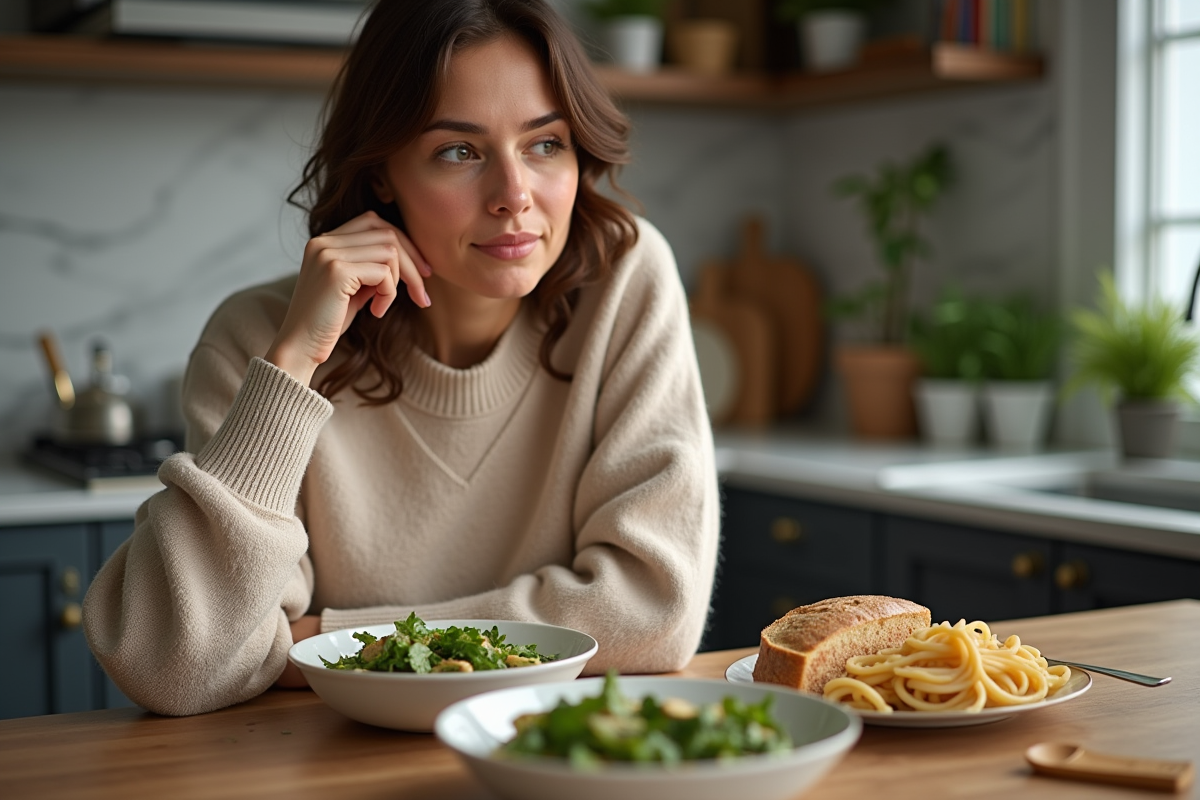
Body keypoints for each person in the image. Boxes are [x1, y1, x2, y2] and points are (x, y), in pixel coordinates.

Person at [83, 0, 719, 716]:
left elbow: (653, 613)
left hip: (554, 750)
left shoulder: (624, 279)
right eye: (460, 151)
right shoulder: (256, 335)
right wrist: (294, 364)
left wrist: (322, 643)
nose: (514, 196)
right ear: (383, 173)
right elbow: (175, 668)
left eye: (545, 144)